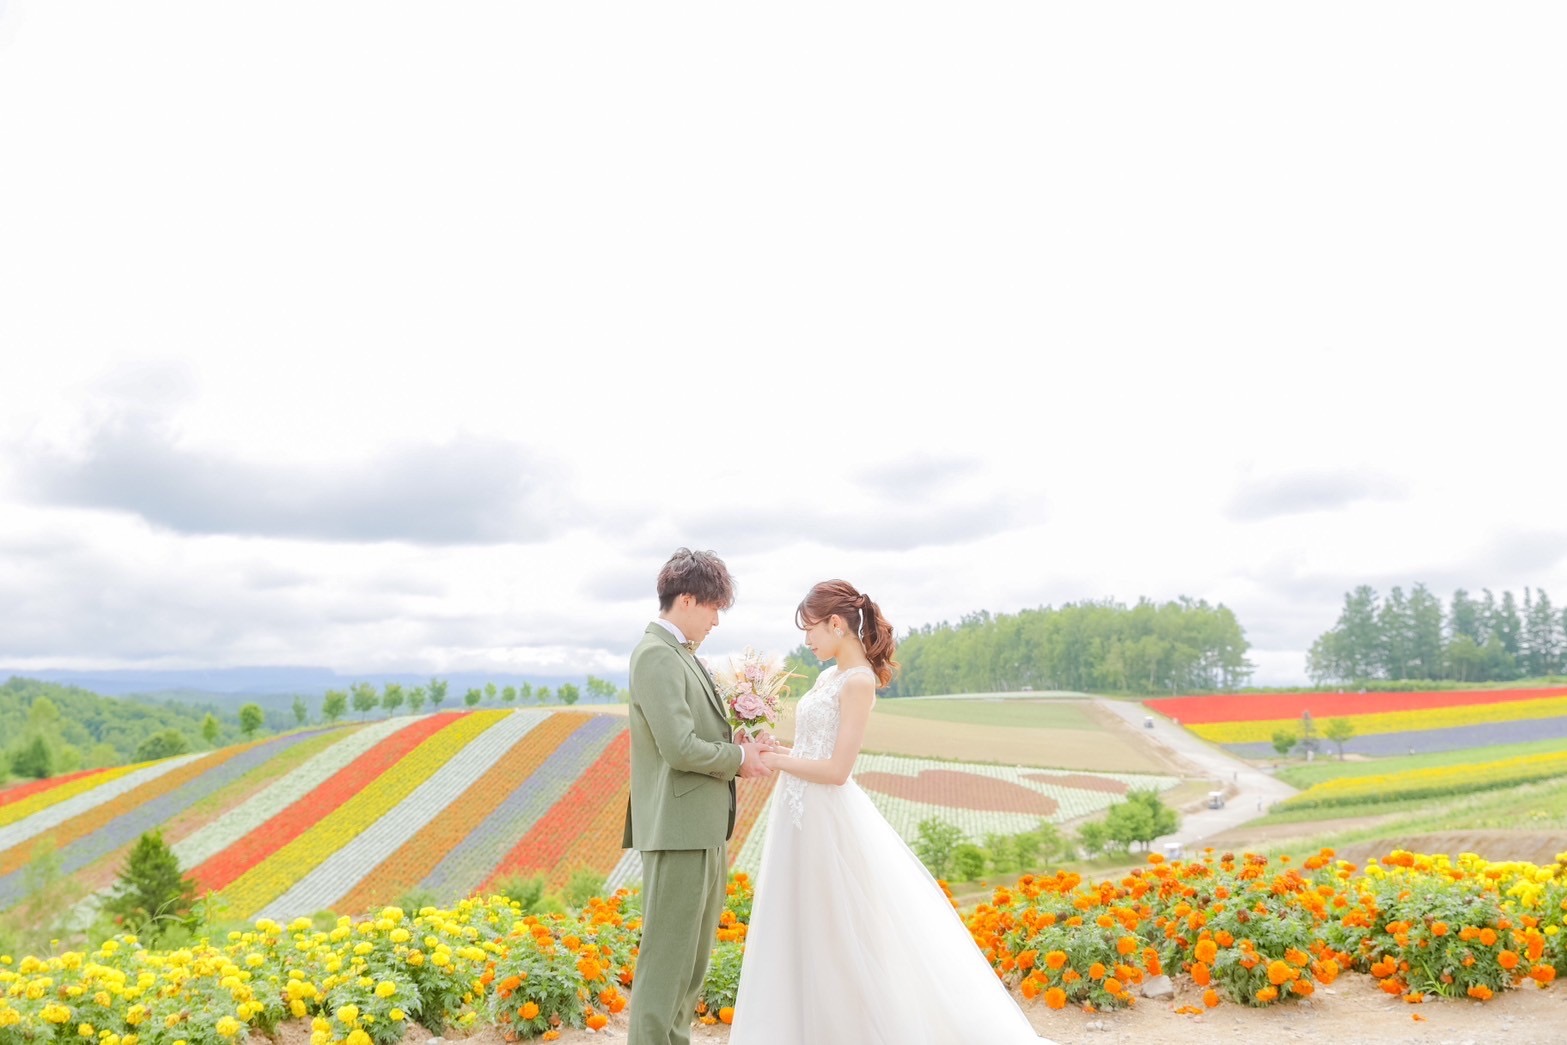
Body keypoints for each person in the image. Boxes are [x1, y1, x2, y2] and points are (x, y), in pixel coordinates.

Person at [729, 580, 1054, 1044]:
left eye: (810, 629)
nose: (807, 640)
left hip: (826, 819)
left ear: (835, 624)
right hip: (798, 813)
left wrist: (776, 763)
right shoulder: (826, 678)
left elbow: (837, 770)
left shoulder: (859, 682)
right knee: (801, 925)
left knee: (835, 932)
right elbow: (811, 750)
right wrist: (772, 747)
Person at [622, 548, 775, 1045]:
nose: (715, 620)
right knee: (667, 962)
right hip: (677, 829)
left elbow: (694, 736)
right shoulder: (655, 655)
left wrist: (736, 743)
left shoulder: (681, 655)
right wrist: (738, 758)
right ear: (686, 599)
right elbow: (679, 747)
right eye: (713, 608)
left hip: (702, 827)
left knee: (691, 965)